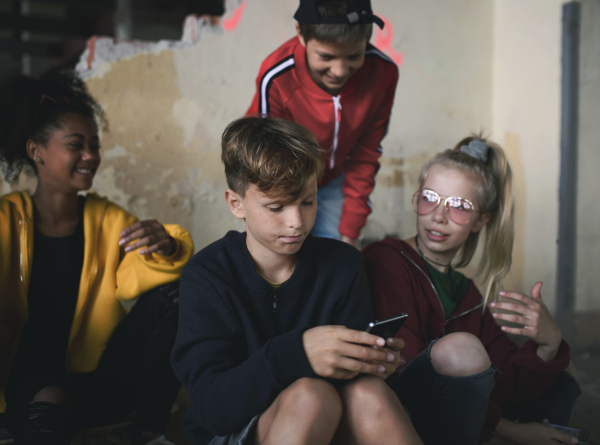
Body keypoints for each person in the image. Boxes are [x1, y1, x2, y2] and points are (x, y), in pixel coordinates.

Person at [171, 116, 421, 445]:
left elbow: (353, 387)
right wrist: (296, 354)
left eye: (307, 202)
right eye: (276, 207)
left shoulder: (344, 265)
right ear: (236, 204)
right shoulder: (206, 276)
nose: (296, 223)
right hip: (232, 431)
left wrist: (371, 362)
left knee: (369, 391)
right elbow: (212, 410)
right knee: (310, 396)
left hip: (330, 422)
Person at [0, 71, 194, 445]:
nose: (90, 155)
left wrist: (168, 247)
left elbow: (140, 278)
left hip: (99, 379)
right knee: (49, 401)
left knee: (179, 296)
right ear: (35, 151)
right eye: (76, 144)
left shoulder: (109, 219)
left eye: (95, 144)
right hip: (26, 387)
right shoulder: (5, 221)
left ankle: (148, 433)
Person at [363, 136, 581, 444]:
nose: (438, 216)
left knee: (562, 363)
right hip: (397, 411)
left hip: (454, 412)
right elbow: (403, 365)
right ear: (416, 199)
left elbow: (504, 381)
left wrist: (548, 342)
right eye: (429, 198)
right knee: (462, 350)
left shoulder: (466, 291)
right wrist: (515, 431)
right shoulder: (386, 259)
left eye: (459, 206)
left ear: (481, 220)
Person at [246, 0, 399, 248]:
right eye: (325, 56)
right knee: (280, 258)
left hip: (335, 179)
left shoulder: (384, 73)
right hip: (280, 182)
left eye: (354, 56)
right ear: (301, 35)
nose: (339, 70)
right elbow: (265, 163)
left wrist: (350, 233)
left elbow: (365, 156)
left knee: (338, 259)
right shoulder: (276, 77)